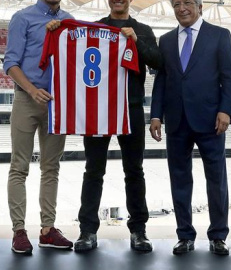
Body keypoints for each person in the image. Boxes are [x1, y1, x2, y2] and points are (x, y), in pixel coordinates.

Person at [48, 0, 162, 253]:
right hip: (98, 107)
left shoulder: (142, 29)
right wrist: (58, 29)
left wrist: (137, 41)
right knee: (93, 170)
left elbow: (158, 62)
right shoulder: (93, 27)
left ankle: (138, 230)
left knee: (134, 171)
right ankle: (88, 230)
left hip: (130, 107)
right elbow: (69, 47)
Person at [149, 0, 231, 256]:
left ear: (199, 6)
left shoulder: (220, 35)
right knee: (179, 180)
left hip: (211, 120)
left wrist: (225, 110)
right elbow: (161, 80)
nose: (181, 8)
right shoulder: (165, 40)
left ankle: (218, 236)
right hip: (176, 120)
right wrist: (155, 115)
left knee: (216, 180)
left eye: (187, 2)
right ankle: (184, 236)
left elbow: (229, 76)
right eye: (176, 4)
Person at [3, 0, 74, 255]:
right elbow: (10, 63)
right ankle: (19, 231)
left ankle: (47, 230)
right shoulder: (22, 18)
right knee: (19, 166)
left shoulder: (69, 20)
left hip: (57, 103)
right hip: (27, 98)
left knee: (51, 168)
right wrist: (33, 91)